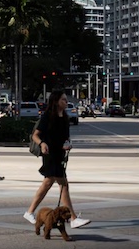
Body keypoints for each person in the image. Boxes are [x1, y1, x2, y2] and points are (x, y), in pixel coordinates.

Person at [23, 90, 91, 230]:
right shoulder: (48, 116)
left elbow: (65, 137)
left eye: (66, 100)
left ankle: (29, 212)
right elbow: (35, 135)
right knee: (63, 185)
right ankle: (73, 218)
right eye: (63, 100)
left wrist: (67, 144)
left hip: (60, 154)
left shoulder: (64, 117)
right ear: (56, 101)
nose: (66, 102)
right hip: (49, 154)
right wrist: (42, 144)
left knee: (47, 184)